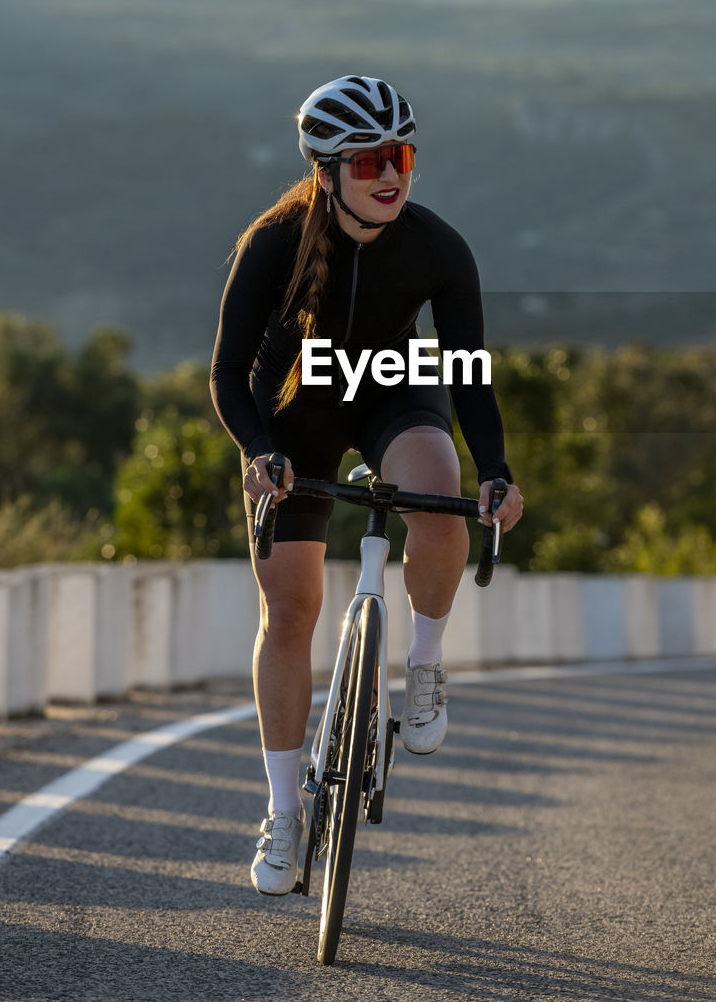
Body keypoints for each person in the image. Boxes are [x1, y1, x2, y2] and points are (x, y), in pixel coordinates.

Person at [210, 74, 523, 896]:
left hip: (392, 388)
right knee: (291, 614)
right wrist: (256, 449)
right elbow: (226, 372)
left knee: (437, 491)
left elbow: (468, 379)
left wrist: (497, 473)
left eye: (402, 155)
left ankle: (423, 664)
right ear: (326, 172)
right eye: (369, 162)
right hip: (290, 412)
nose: (391, 174)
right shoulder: (272, 243)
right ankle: (284, 814)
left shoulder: (437, 247)